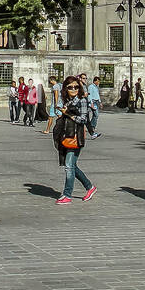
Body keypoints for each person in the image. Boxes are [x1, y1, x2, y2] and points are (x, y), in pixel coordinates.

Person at [53, 75, 96, 205]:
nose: (73, 89)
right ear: (66, 88)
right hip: (67, 135)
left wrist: (68, 114)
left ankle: (67, 194)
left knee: (69, 166)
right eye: (70, 87)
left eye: (76, 87)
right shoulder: (68, 100)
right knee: (72, 166)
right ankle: (90, 187)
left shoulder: (82, 100)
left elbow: (83, 119)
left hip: (76, 137)